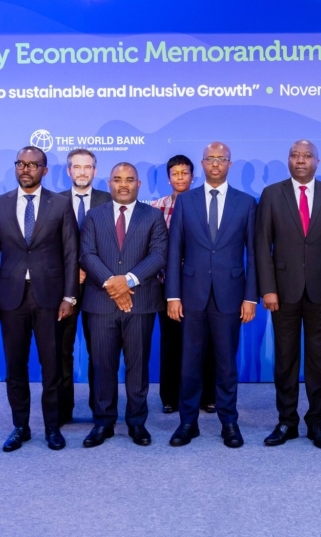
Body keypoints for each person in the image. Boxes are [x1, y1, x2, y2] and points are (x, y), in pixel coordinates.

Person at [0, 147, 79, 452]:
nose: (26, 169)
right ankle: (20, 426)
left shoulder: (61, 204)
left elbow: (70, 253)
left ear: (45, 171)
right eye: (21, 164)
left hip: (50, 298)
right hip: (11, 299)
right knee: (15, 366)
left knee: (51, 366)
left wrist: (69, 297)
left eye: (33, 165)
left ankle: (52, 427)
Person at [256, 139, 321, 449]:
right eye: (295, 155)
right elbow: (262, 247)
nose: (300, 160)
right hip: (282, 292)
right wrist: (267, 289)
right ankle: (287, 421)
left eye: (307, 156)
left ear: (317, 162)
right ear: (288, 160)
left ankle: (316, 421)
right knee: (285, 359)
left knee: (317, 359)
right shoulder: (272, 195)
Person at [166, 142, 258, 448]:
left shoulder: (245, 203)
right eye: (210, 159)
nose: (215, 163)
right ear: (202, 164)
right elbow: (174, 249)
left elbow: (254, 254)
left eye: (221, 159)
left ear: (230, 164)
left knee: (226, 364)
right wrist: (173, 295)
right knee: (189, 362)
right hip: (190, 295)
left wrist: (250, 297)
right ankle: (187, 423)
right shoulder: (186, 201)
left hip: (231, 296)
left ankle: (229, 422)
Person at [79, 162, 167, 448]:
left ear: (138, 184)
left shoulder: (153, 216)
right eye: (118, 179)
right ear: (110, 183)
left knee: (137, 366)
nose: (124, 184)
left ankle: (136, 422)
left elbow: (158, 255)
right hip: (100, 302)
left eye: (130, 179)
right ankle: (102, 423)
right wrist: (112, 284)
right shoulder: (94, 216)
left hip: (140, 303)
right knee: (102, 365)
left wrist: (127, 281)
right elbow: (87, 255)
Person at [151, 155, 217, 414]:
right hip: (166, 284)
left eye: (184, 173)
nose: (179, 178)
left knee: (205, 341)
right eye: (175, 173)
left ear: (193, 176)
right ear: (168, 178)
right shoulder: (157, 207)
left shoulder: (205, 204)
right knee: (171, 342)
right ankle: (170, 397)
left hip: (200, 284)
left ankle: (207, 396)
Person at [57, 149, 111, 423]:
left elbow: (116, 246)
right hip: (64, 291)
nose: (82, 172)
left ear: (95, 170)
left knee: (100, 353)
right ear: (68, 171)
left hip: (99, 288)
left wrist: (89, 270)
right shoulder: (54, 202)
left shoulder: (109, 200)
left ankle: (100, 410)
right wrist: (71, 273)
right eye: (76, 167)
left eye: (87, 167)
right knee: (62, 352)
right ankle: (64, 411)